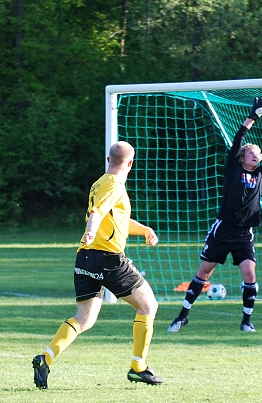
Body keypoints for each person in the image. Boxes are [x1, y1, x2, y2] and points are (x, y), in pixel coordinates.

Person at [32, 141, 163, 389]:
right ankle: (138, 367)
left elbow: (115, 218)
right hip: (108, 258)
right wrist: (91, 231)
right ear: (131, 164)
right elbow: (98, 213)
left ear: (107, 160)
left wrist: (144, 229)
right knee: (148, 306)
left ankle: (45, 359)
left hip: (85, 257)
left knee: (85, 318)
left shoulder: (99, 183)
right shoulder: (115, 184)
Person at [167, 97, 262, 333]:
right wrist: (253, 117)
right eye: (251, 153)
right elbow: (238, 139)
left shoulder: (261, 174)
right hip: (223, 229)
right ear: (241, 157)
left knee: (250, 273)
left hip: (244, 233)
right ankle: (183, 315)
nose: (255, 156)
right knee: (204, 272)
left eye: (257, 154)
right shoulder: (233, 168)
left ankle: (246, 321)